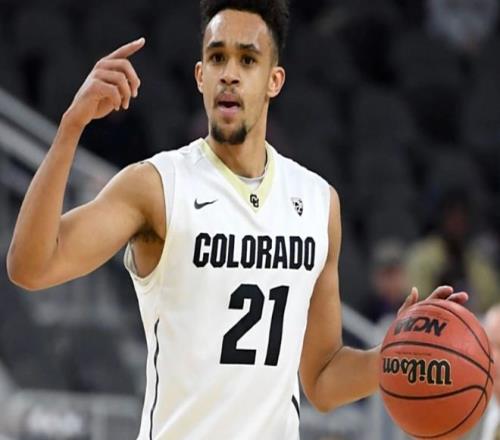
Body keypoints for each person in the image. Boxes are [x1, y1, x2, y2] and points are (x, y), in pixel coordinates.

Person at [6, 1, 467, 439]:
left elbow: (323, 380)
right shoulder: (157, 187)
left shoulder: (318, 203)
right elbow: (30, 266)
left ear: (274, 80)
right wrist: (70, 128)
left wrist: (392, 356)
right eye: (217, 57)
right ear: (200, 76)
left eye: (248, 60)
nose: (229, 73)